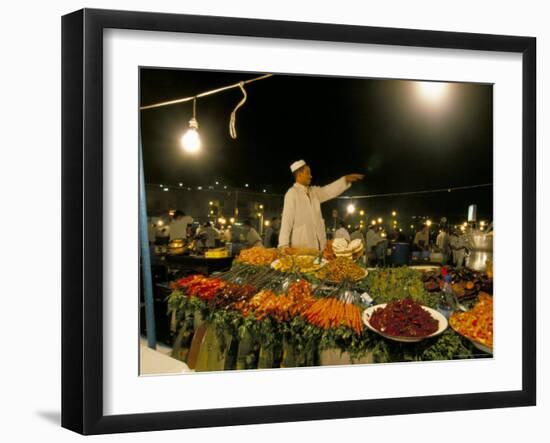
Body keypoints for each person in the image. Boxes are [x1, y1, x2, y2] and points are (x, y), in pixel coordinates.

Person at [278, 159, 364, 250]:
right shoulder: (292, 194)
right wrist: (283, 245)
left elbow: (329, 191)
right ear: (299, 174)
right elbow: (286, 221)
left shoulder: (314, 192)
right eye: (308, 173)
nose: (310, 176)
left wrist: (344, 180)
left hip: (319, 248)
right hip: (300, 249)